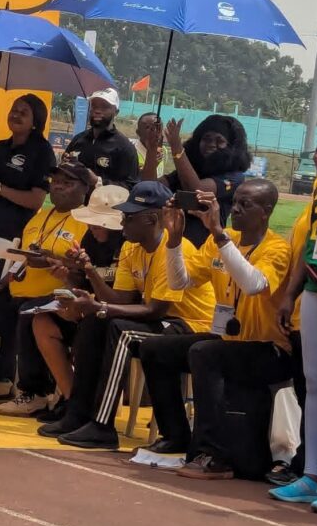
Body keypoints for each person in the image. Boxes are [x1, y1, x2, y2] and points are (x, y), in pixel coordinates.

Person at [39, 181, 215, 450]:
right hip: (162, 320)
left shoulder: (174, 248)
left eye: (129, 217)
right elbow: (120, 300)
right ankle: (78, 413)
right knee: (95, 322)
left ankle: (102, 426)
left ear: (151, 219)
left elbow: (155, 309)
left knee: (121, 330)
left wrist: (100, 307)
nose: (122, 223)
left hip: (191, 323)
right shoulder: (131, 247)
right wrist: (90, 272)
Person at [139, 182, 291, 479]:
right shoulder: (220, 241)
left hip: (270, 349)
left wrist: (219, 234)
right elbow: (179, 282)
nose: (236, 209)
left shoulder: (276, 248)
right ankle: (175, 435)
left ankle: (213, 454)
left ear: (266, 211)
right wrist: (174, 240)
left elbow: (254, 285)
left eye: (246, 204)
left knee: (205, 353)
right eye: (235, 202)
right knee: (155, 349)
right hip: (229, 340)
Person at [0, 161, 96, 405]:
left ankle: (35, 392)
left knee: (29, 312)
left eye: (67, 183)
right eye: (56, 182)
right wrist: (1, 281)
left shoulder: (88, 223)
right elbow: (22, 257)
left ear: (84, 188)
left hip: (56, 298)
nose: (58, 187)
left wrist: (51, 260)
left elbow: (87, 269)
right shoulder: (38, 218)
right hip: (18, 292)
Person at [16, 185, 128, 419]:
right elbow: (80, 280)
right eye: (91, 224)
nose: (92, 229)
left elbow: (121, 299)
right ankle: (70, 400)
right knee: (40, 320)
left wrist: (90, 276)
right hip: (89, 305)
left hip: (113, 313)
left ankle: (88, 407)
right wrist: (66, 276)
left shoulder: (128, 246)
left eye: (97, 225)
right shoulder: (91, 239)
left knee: (90, 327)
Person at [269, 167, 317, 507]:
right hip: (315, 286)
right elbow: (311, 242)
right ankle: (313, 475)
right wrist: (291, 293)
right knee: (314, 382)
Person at [146, 114, 251, 248]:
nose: (212, 144)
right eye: (206, 139)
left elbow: (197, 191)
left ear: (231, 147)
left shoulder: (234, 177)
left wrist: (177, 148)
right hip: (172, 245)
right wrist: (151, 151)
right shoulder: (188, 171)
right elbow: (149, 188)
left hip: (204, 250)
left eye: (219, 141)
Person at [0, 93, 55, 241]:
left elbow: (36, 201)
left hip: (13, 236)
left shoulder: (43, 152)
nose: (16, 115)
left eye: (23, 113)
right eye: (14, 110)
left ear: (35, 121)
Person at [61, 87, 139, 188]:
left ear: (116, 112)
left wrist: (97, 181)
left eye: (104, 107)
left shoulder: (125, 147)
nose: (97, 111)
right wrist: (65, 164)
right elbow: (64, 172)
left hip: (106, 198)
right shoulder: (78, 139)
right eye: (94, 106)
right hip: (75, 197)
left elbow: (131, 186)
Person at [133, 112, 171, 177]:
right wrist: (152, 164)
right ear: (138, 132)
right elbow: (136, 178)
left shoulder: (163, 150)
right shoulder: (132, 152)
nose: (155, 132)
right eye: (149, 128)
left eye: (159, 128)